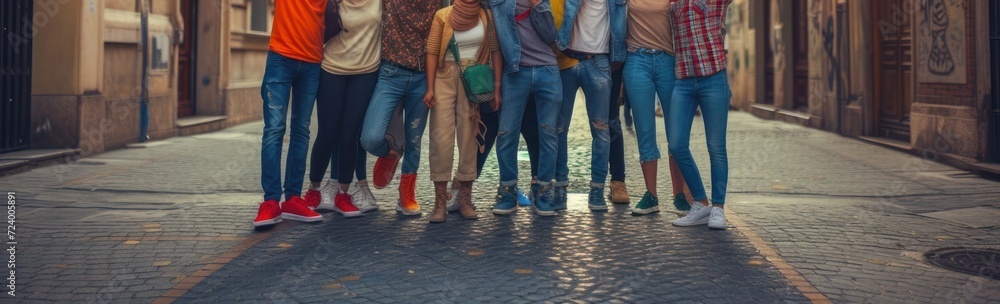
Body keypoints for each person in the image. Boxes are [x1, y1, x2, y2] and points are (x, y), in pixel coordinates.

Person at [359, 0, 443, 216]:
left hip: (423, 77)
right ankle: (391, 153)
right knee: (370, 138)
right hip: (390, 74)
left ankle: (407, 193)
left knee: (414, 141)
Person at [423, 0, 502, 222]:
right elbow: (431, 51)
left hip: (473, 80)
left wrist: (496, 89)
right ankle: (440, 203)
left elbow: (495, 51)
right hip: (443, 77)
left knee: (469, 139)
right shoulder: (443, 15)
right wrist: (430, 88)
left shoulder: (485, 16)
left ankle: (465, 199)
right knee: (441, 139)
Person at [303, 0, 383, 218]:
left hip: (366, 71)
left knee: (350, 135)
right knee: (328, 133)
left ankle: (343, 195)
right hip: (332, 68)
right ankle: (314, 191)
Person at [252, 0, 327, 228]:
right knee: (274, 129)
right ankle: (271, 202)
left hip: (313, 61)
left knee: (301, 130)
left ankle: (293, 199)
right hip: (281, 57)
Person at [488, 0, 563, 216]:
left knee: (548, 133)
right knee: (506, 132)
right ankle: (507, 191)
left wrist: (538, 5)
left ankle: (543, 191)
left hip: (547, 70)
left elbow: (552, 37)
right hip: (515, 70)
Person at [621, 0, 692, 216]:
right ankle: (651, 196)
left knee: (676, 132)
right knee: (645, 130)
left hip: (668, 61)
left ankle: (679, 194)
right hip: (636, 61)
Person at [554, 0, 626, 211]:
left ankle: (597, 190)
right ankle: (559, 186)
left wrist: (618, 59)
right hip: (567, 60)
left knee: (601, 129)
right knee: (559, 129)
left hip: (599, 61)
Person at [668, 0, 733, 230]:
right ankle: (701, 202)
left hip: (714, 78)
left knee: (716, 147)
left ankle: (718, 208)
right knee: (676, 145)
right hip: (683, 80)